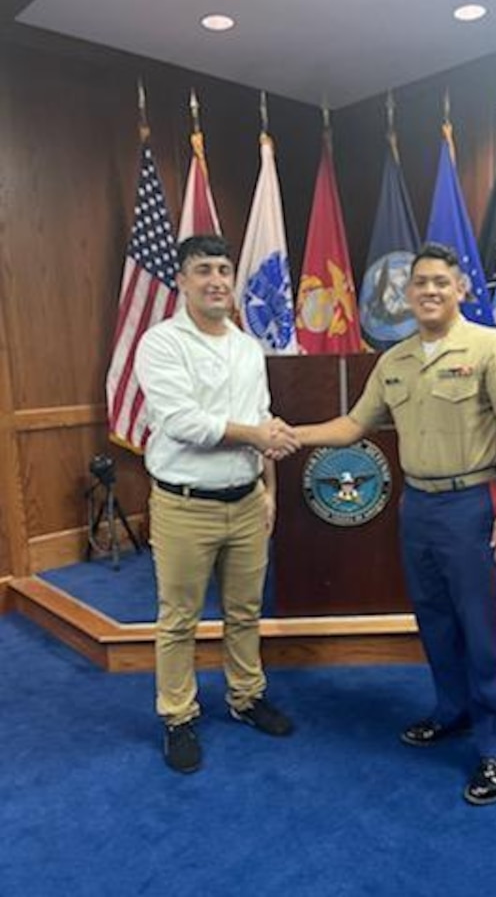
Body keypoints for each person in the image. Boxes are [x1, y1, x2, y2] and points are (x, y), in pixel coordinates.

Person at [294, 243, 496, 806]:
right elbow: (351, 425)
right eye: (420, 283)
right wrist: (290, 434)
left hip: (475, 503)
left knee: (487, 631)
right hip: (419, 507)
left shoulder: (491, 348)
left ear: (460, 289)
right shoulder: (396, 361)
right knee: (435, 621)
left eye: (440, 281)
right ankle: (454, 712)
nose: (429, 291)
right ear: (407, 295)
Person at [135, 234, 300, 774]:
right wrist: (256, 436)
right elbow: (184, 425)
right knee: (179, 619)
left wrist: (270, 489)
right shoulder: (161, 344)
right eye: (203, 270)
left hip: (248, 502)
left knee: (245, 612)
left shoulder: (248, 347)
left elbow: (265, 422)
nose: (216, 280)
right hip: (186, 505)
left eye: (224, 270)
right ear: (181, 281)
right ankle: (178, 715)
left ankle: (246, 697)